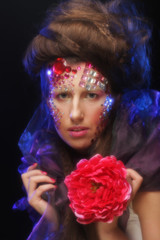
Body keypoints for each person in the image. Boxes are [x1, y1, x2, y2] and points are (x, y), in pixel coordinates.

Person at [14, 0, 160, 239]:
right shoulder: (50, 170)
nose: (74, 114)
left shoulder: (143, 160)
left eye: (91, 94)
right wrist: (51, 223)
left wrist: (108, 230)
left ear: (115, 96)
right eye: (62, 95)